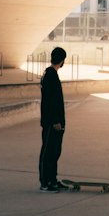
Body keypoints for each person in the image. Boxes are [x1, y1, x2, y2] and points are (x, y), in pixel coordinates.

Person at [39, 46, 68, 191]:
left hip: (56, 122)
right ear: (62, 61)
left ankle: (53, 179)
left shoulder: (50, 74)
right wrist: (55, 121)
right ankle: (46, 182)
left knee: (55, 151)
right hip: (52, 122)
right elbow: (51, 101)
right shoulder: (50, 75)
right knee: (48, 151)